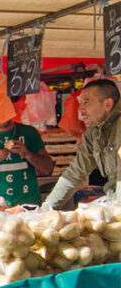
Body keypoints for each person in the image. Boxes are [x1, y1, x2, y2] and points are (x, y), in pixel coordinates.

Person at [44, 79, 121, 209]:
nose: (80, 109)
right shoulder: (94, 133)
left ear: (108, 104)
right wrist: (46, 208)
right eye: (80, 103)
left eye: (86, 102)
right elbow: (75, 173)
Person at [0, 117, 54, 207]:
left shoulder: (29, 133)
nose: (2, 116)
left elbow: (47, 168)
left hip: (29, 205)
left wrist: (27, 154)